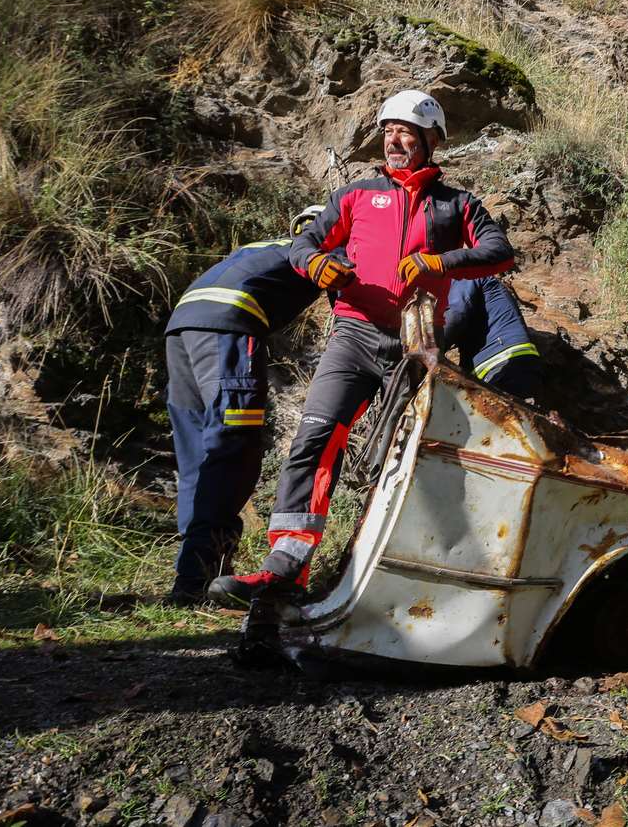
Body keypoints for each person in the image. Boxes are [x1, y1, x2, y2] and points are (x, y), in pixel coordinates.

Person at [209, 89, 515, 606]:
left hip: (416, 343)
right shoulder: (354, 196)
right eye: (390, 131)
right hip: (352, 335)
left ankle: (408, 575)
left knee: (412, 457)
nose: (396, 141)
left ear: (431, 141)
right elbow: (304, 244)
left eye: (408, 133)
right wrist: (319, 264)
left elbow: (499, 252)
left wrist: (438, 263)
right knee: (315, 436)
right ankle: (285, 568)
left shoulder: (456, 204)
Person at [162, 205, 325, 605]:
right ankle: (198, 578)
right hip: (228, 325)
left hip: (182, 326)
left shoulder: (261, 248)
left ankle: (194, 573)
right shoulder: (322, 250)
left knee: (197, 453)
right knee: (232, 446)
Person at [443, 276, 542, 401]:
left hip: (504, 359)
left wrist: (428, 351)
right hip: (497, 364)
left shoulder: (463, 274)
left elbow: (455, 316)